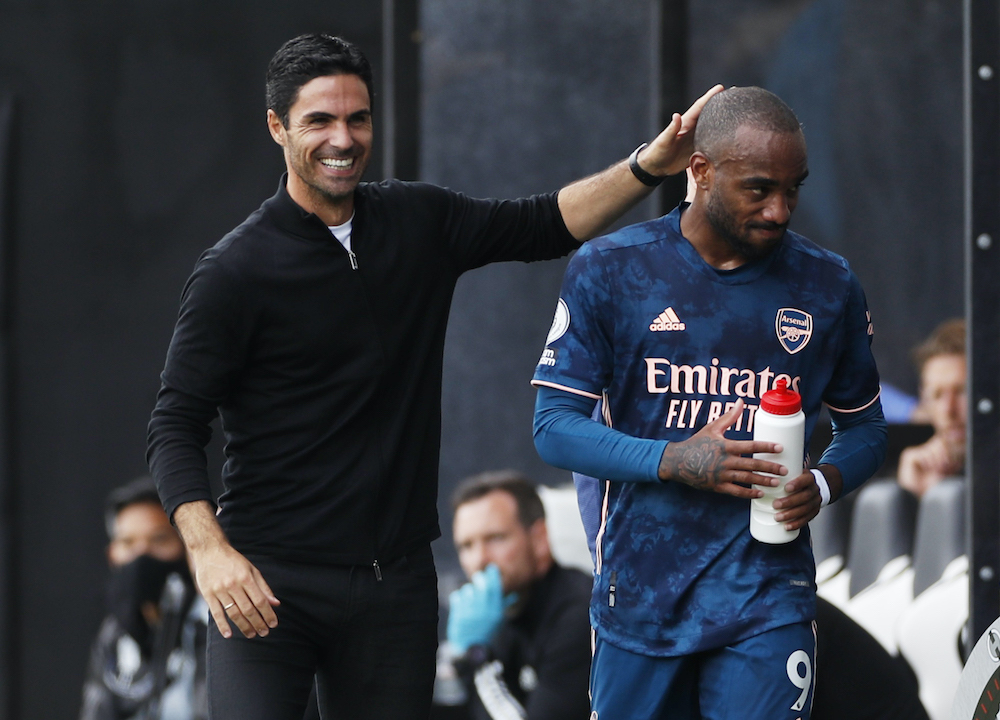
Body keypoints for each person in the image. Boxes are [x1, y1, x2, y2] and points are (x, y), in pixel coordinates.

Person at [146, 32, 722, 720]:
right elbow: (174, 425)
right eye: (319, 121)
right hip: (272, 582)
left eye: (357, 118)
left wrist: (647, 166)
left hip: (395, 586)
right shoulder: (234, 271)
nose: (343, 138)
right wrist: (210, 554)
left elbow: (544, 225)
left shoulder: (417, 219)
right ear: (277, 126)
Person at [531, 86, 887, 719]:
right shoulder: (612, 269)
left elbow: (866, 427)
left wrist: (826, 483)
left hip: (767, 594)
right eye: (758, 189)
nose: (780, 210)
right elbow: (554, 428)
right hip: (638, 596)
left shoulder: (827, 283)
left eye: (794, 189)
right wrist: (675, 460)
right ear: (699, 170)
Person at [443, 470, 591, 720]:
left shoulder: (578, 614)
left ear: (539, 538)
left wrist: (475, 660)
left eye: (495, 538)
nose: (479, 560)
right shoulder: (499, 613)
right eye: (467, 546)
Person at [80, 477, 207, 720]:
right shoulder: (114, 634)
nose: (141, 555)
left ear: (187, 547)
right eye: (128, 542)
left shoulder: (210, 623)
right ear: (112, 554)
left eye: (159, 539)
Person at [897, 318, 966, 497]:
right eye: (937, 395)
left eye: (962, 392)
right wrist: (912, 494)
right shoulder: (921, 467)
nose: (948, 410)